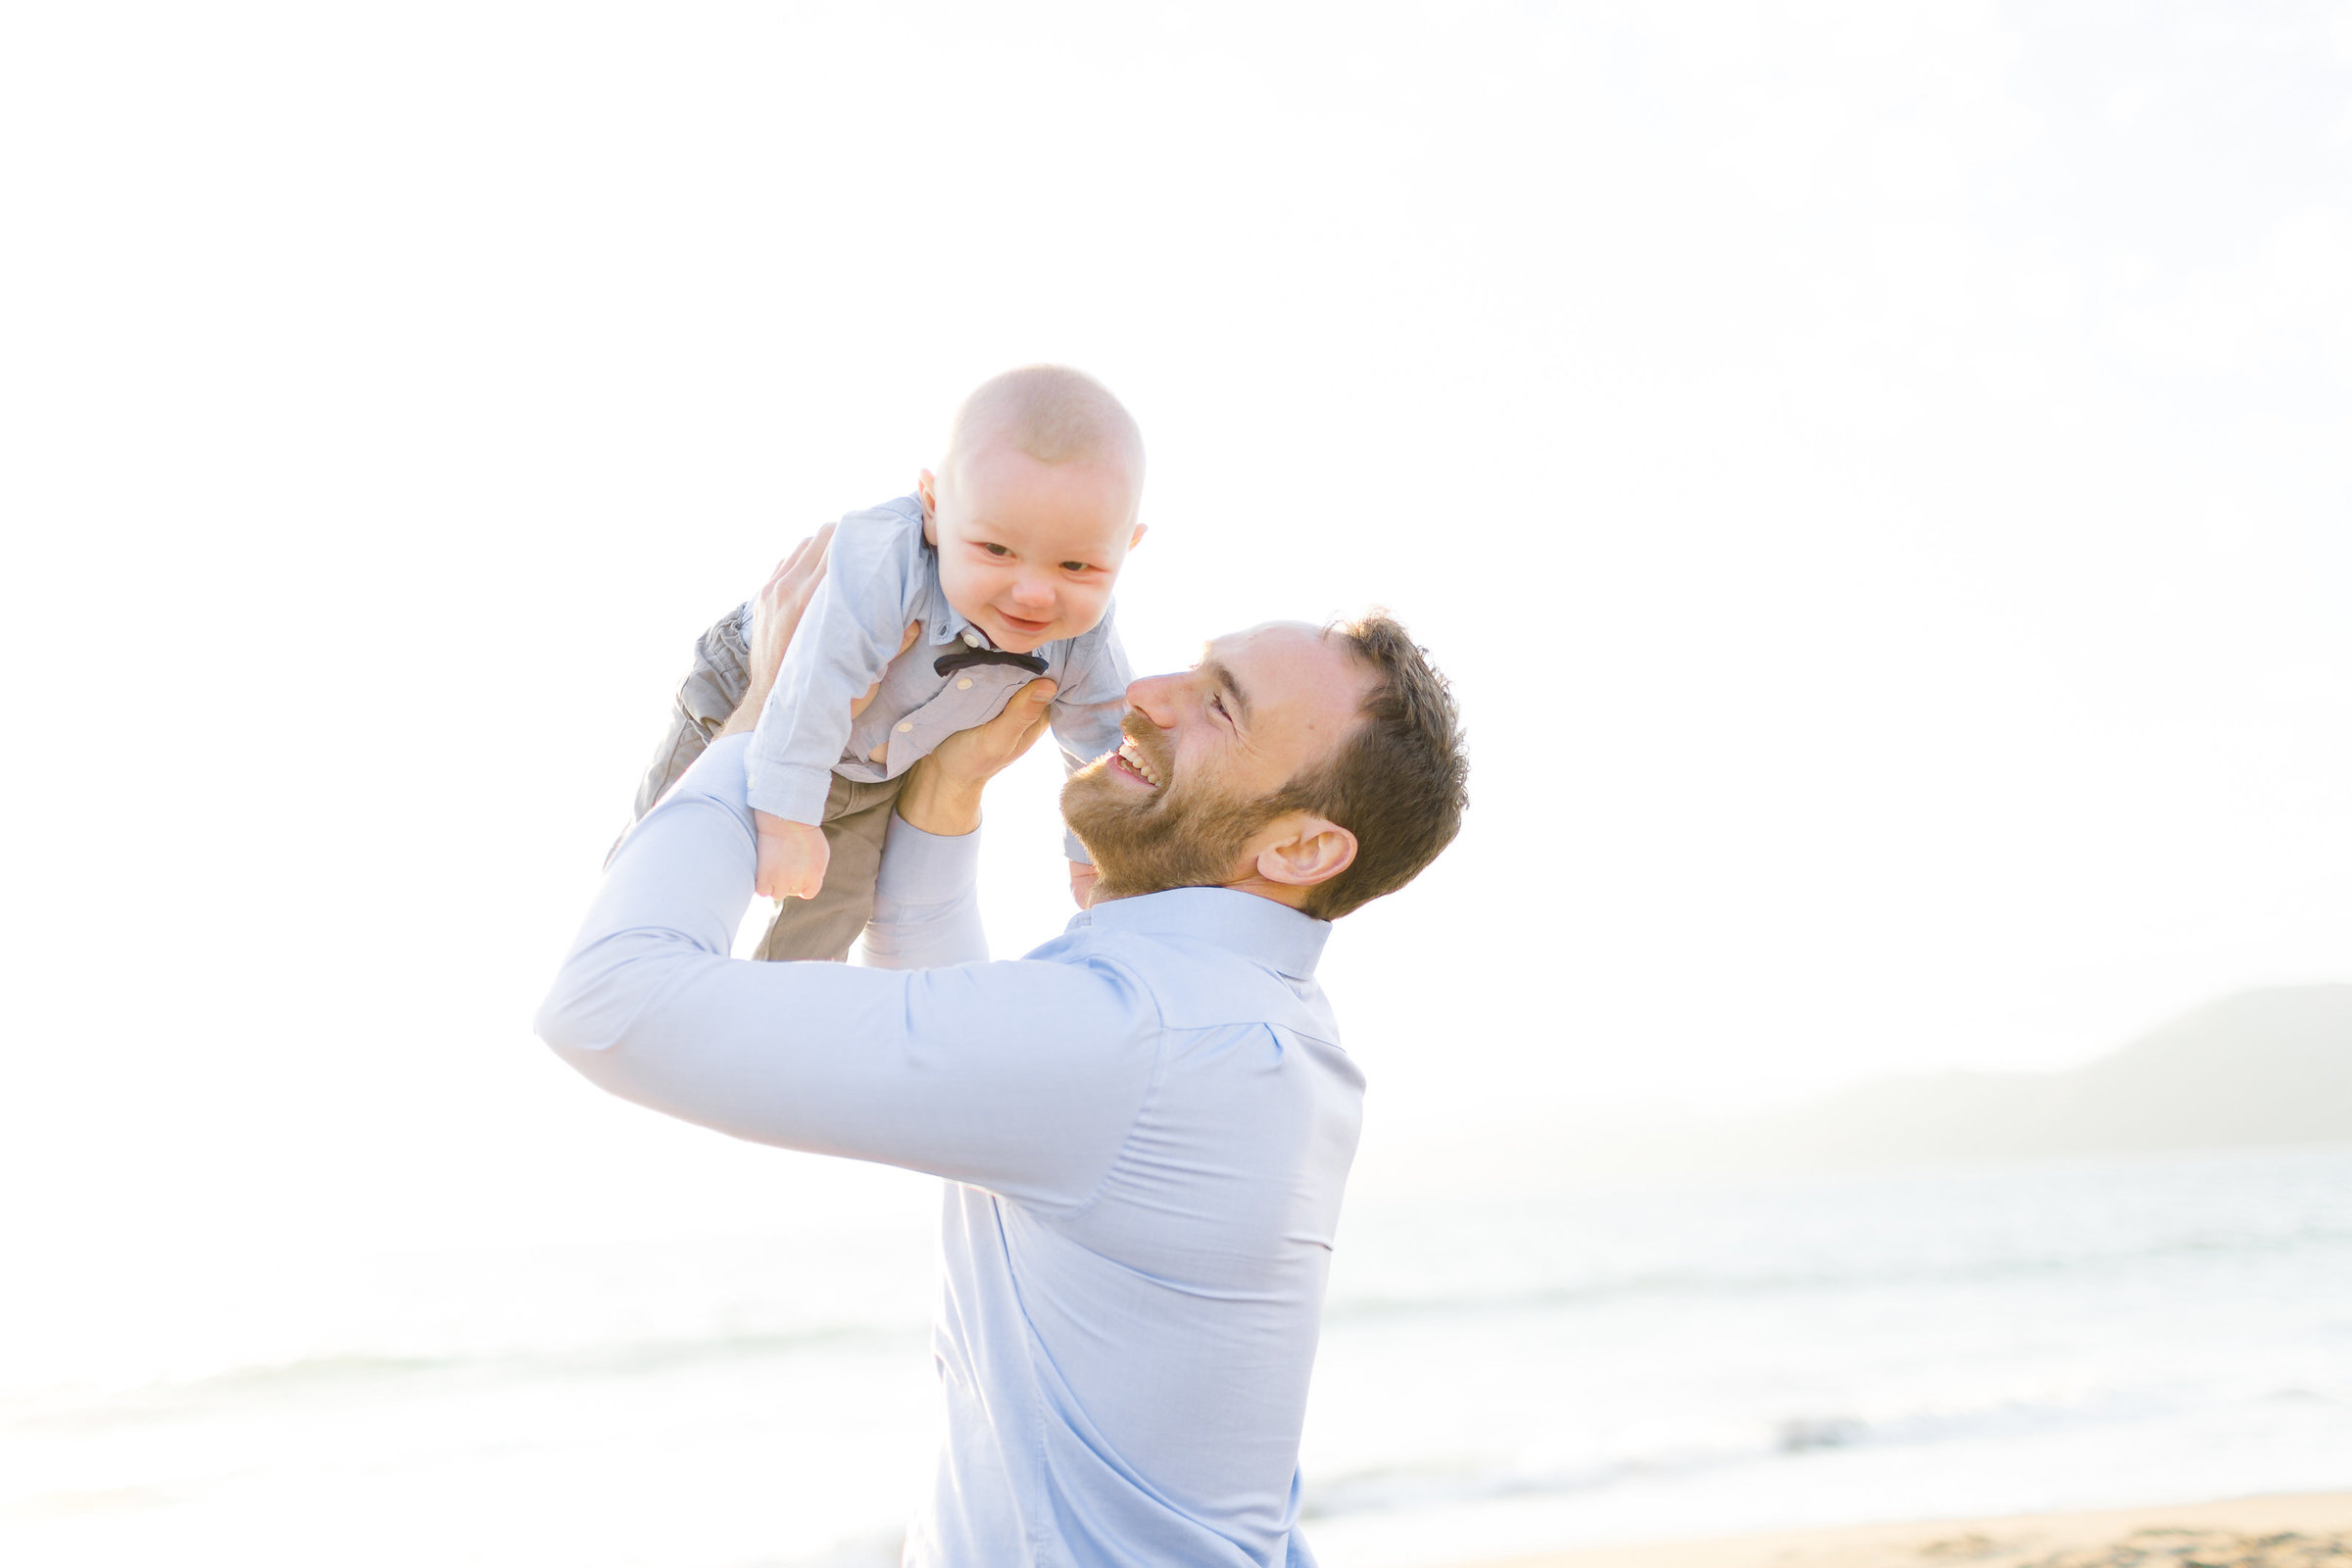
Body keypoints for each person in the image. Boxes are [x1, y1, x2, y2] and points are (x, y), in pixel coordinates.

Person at [537, 532, 1468, 1565]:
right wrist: (945, 803)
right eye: (1193, 668)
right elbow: (979, 1064)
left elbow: (609, 1001)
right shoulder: (1248, 1030)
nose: (1146, 693)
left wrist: (767, 716)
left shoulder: (1148, 1038)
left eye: (1220, 705)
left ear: (1299, 848)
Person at [624, 365, 1147, 961]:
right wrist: (787, 816)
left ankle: (776, 1030)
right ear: (933, 507)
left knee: (833, 913)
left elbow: (1103, 747)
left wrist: (1100, 857)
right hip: (755, 694)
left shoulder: (1084, 635)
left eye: (1076, 567)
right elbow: (818, 682)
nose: (1032, 592)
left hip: (874, 772)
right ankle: (634, 954)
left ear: (1126, 546)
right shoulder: (884, 557)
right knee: (669, 852)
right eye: (996, 549)